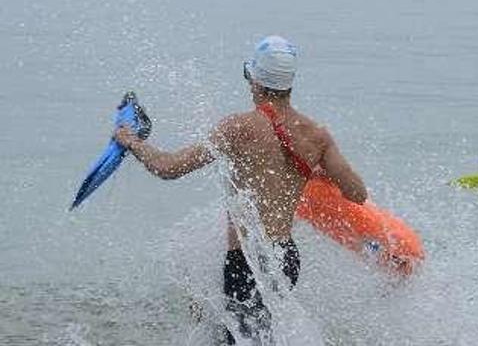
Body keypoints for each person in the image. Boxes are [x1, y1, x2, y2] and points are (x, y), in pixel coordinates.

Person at [114, 35, 368, 343]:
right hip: (286, 257)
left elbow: (169, 167)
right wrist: (318, 169)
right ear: (289, 84)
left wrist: (131, 142)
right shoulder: (317, 136)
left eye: (249, 77)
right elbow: (357, 193)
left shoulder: (239, 127)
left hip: (247, 259)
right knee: (258, 335)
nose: (249, 85)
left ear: (257, 81)